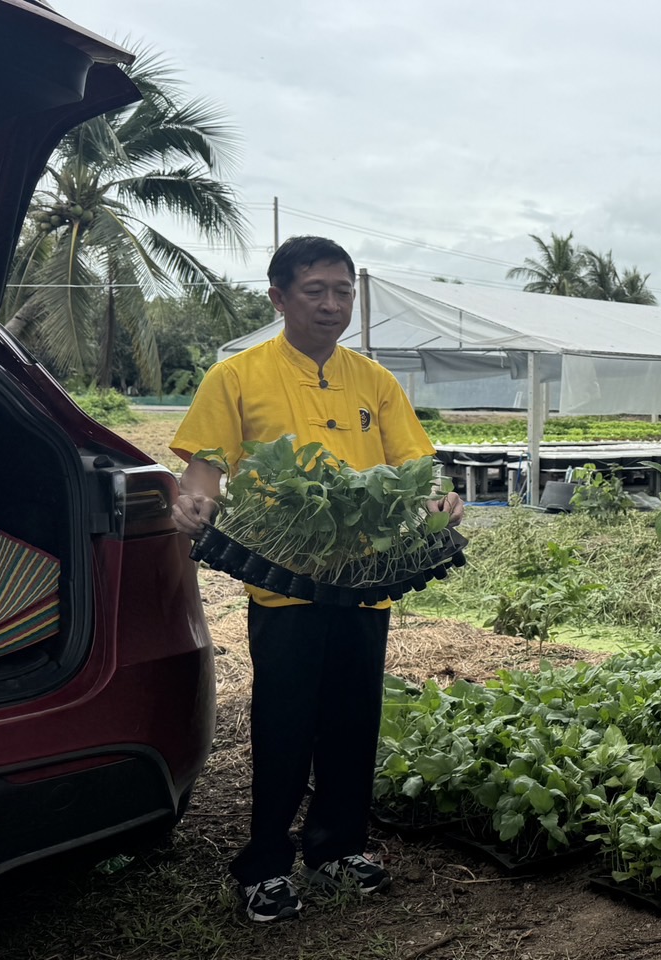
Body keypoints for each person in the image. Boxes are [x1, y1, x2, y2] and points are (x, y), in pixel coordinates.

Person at [170, 236, 465, 923]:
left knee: (354, 718)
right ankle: (265, 865)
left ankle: (337, 846)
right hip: (285, 580)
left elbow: (416, 470)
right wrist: (194, 502)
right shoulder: (237, 377)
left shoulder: (375, 381)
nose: (332, 305)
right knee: (285, 721)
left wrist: (439, 501)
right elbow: (204, 470)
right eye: (315, 291)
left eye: (343, 291)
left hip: (365, 580)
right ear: (278, 298)